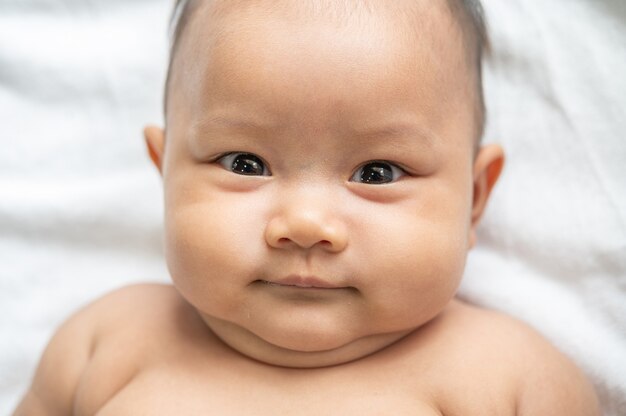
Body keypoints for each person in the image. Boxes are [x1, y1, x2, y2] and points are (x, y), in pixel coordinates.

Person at [14, 0, 600, 414]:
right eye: (245, 163)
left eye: (377, 173)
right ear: (163, 173)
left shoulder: (511, 378)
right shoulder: (105, 343)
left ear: (473, 201)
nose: (304, 225)